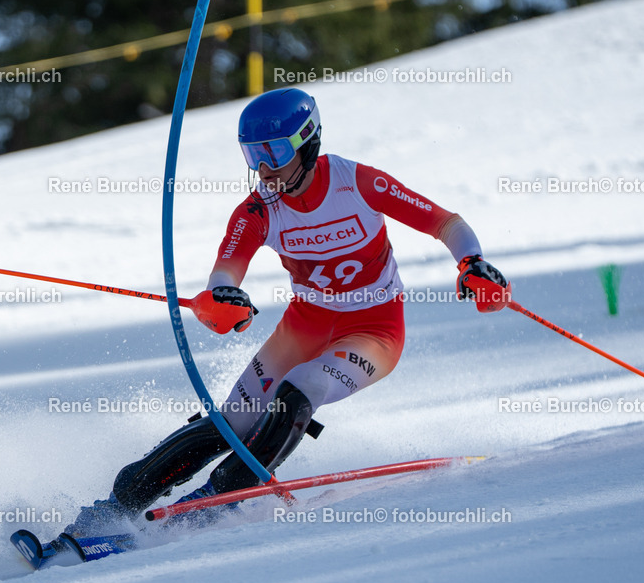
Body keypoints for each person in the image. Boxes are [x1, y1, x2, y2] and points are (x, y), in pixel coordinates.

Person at [62, 87, 509, 538]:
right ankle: (107, 511)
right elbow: (225, 272)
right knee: (231, 421)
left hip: (374, 329)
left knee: (299, 391)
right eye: (252, 154)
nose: (264, 168)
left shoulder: (358, 182)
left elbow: (446, 223)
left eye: (274, 152)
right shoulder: (258, 209)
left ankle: (209, 506)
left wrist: (472, 263)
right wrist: (221, 299)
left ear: (307, 141)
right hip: (304, 324)